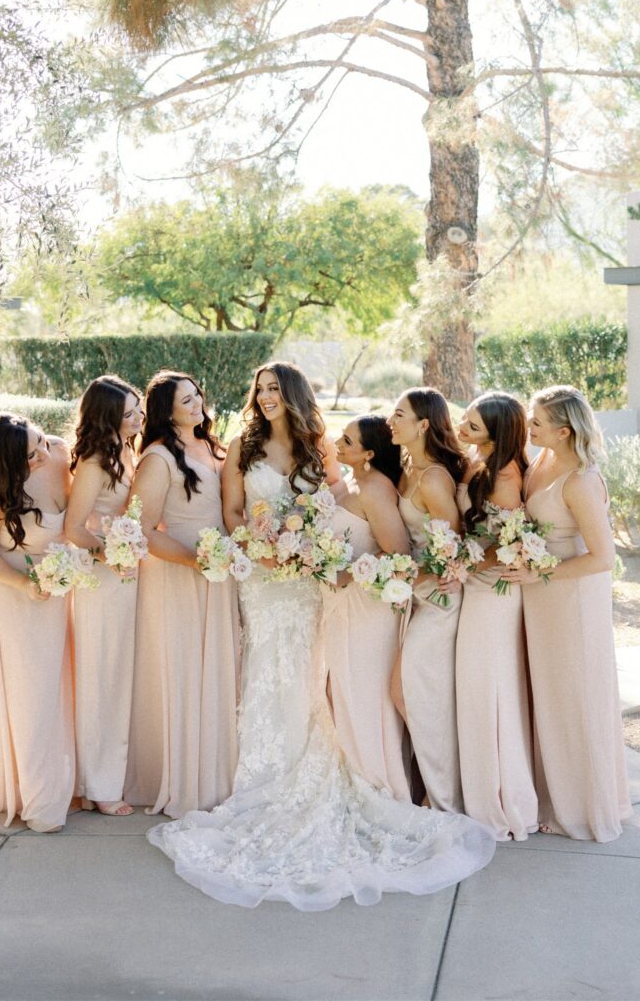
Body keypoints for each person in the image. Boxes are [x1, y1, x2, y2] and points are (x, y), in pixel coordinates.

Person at [147, 362, 495, 911]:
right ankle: (263, 774)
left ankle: (334, 767)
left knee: (317, 675)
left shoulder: (318, 447)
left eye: (273, 389)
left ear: (292, 395)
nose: (264, 397)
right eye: (258, 389)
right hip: (263, 579)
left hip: (314, 581)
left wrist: (311, 549)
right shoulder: (243, 446)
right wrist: (263, 548)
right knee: (267, 669)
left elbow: (343, 503)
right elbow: (235, 512)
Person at [501, 385, 630, 841]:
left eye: (536, 422)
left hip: (569, 597)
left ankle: (580, 806)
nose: (528, 428)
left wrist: (541, 574)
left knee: (573, 695)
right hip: (542, 594)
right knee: (548, 693)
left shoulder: (580, 481)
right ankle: (549, 792)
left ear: (562, 430)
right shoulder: (541, 460)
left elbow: (602, 557)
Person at [124, 370, 241, 817]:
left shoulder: (213, 447)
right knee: (185, 671)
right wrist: (197, 560)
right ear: (165, 411)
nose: (197, 405)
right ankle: (181, 776)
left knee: (215, 671)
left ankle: (215, 772)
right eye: (185, 400)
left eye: (198, 396)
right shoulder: (158, 458)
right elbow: (141, 532)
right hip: (179, 574)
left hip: (219, 571)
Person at [0, 413, 74, 833]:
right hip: (16, 599)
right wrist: (25, 584)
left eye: (43, 442)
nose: (43, 455)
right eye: (32, 455)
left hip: (61, 595)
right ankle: (39, 797)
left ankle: (72, 783)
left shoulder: (60, 454)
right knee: (32, 697)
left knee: (64, 691)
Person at [455, 392, 538, 841]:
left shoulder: (506, 474)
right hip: (473, 585)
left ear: (497, 433)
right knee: (475, 687)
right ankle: (478, 791)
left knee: (487, 688)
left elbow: (503, 543)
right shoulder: (478, 460)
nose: (463, 430)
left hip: (494, 592)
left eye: (472, 426)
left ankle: (498, 800)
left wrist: (462, 561)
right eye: (465, 421)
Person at [65, 376, 142, 817]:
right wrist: (109, 553)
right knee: (101, 678)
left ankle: (109, 773)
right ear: (107, 417)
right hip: (102, 579)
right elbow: (75, 528)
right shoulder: (95, 461)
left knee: (119, 676)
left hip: (126, 575)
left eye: (137, 410)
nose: (137, 418)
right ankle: (98, 784)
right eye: (128, 412)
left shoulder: (125, 452)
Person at [388, 388, 467, 812]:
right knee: (414, 693)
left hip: (439, 599)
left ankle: (441, 796)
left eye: (399, 414)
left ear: (423, 425)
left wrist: (403, 574)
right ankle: (423, 784)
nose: (391, 420)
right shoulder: (405, 468)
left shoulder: (434, 478)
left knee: (407, 691)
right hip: (414, 595)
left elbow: (449, 549)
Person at [325, 415, 411, 799]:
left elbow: (399, 555)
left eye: (347, 440)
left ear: (369, 454)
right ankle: (349, 775)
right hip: (339, 604)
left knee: (363, 692)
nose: (337, 443)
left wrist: (349, 575)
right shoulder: (353, 484)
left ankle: (375, 781)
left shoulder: (375, 489)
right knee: (341, 689)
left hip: (366, 606)